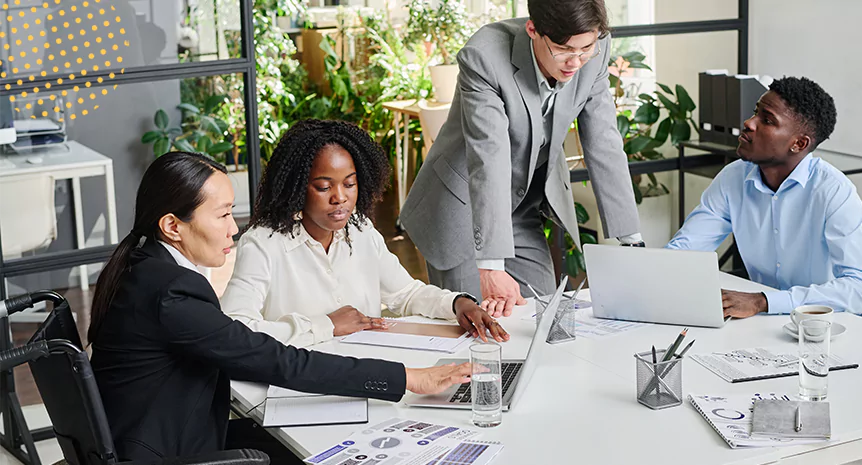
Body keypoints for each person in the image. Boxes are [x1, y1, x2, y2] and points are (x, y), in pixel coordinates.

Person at [88, 152, 472, 462]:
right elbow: (274, 359)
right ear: (173, 225)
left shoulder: (146, 268)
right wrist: (408, 378)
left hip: (156, 435)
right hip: (168, 451)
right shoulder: (172, 291)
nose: (233, 229)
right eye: (222, 215)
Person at [399, 0, 643, 318]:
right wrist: (490, 266)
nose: (576, 62)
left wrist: (632, 241)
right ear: (533, 30)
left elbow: (604, 142)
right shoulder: (484, 57)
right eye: (564, 50)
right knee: (476, 331)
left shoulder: (591, 48)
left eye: (586, 49)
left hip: (522, 206)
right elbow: (489, 157)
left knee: (543, 317)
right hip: (464, 211)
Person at [221, 120, 509, 348]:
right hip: (297, 386)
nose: (340, 198)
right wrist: (326, 325)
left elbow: (406, 294)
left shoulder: (360, 230)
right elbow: (234, 329)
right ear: (296, 188)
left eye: (349, 184)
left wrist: (459, 303)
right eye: (323, 187)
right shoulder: (262, 244)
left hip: (366, 374)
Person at [667, 76, 862, 318]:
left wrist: (764, 302)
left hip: (824, 328)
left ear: (799, 143)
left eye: (767, 120)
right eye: (755, 112)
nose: (748, 123)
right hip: (762, 325)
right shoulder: (733, 178)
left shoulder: (833, 191)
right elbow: (687, 248)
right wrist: (651, 272)